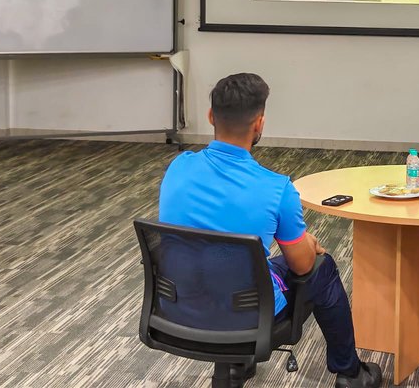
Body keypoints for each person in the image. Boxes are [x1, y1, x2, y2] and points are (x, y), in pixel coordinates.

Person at [159, 73, 382, 388]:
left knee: (223, 262)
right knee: (323, 267)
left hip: (177, 302)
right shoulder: (277, 189)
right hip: (247, 314)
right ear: (259, 124)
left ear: (211, 116)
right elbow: (302, 266)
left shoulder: (178, 166)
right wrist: (305, 241)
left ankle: (235, 366)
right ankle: (351, 375)